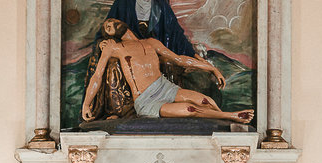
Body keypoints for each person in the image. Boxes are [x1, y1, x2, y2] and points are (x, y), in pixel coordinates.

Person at [81, 18, 252, 124]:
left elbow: (179, 59)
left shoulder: (151, 42)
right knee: (189, 110)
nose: (111, 24)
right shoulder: (115, 48)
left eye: (112, 21)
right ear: (108, 36)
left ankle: (226, 118)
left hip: (164, 87)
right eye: (107, 27)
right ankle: (232, 116)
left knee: (204, 100)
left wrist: (213, 69)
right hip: (145, 99)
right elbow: (97, 75)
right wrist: (86, 104)